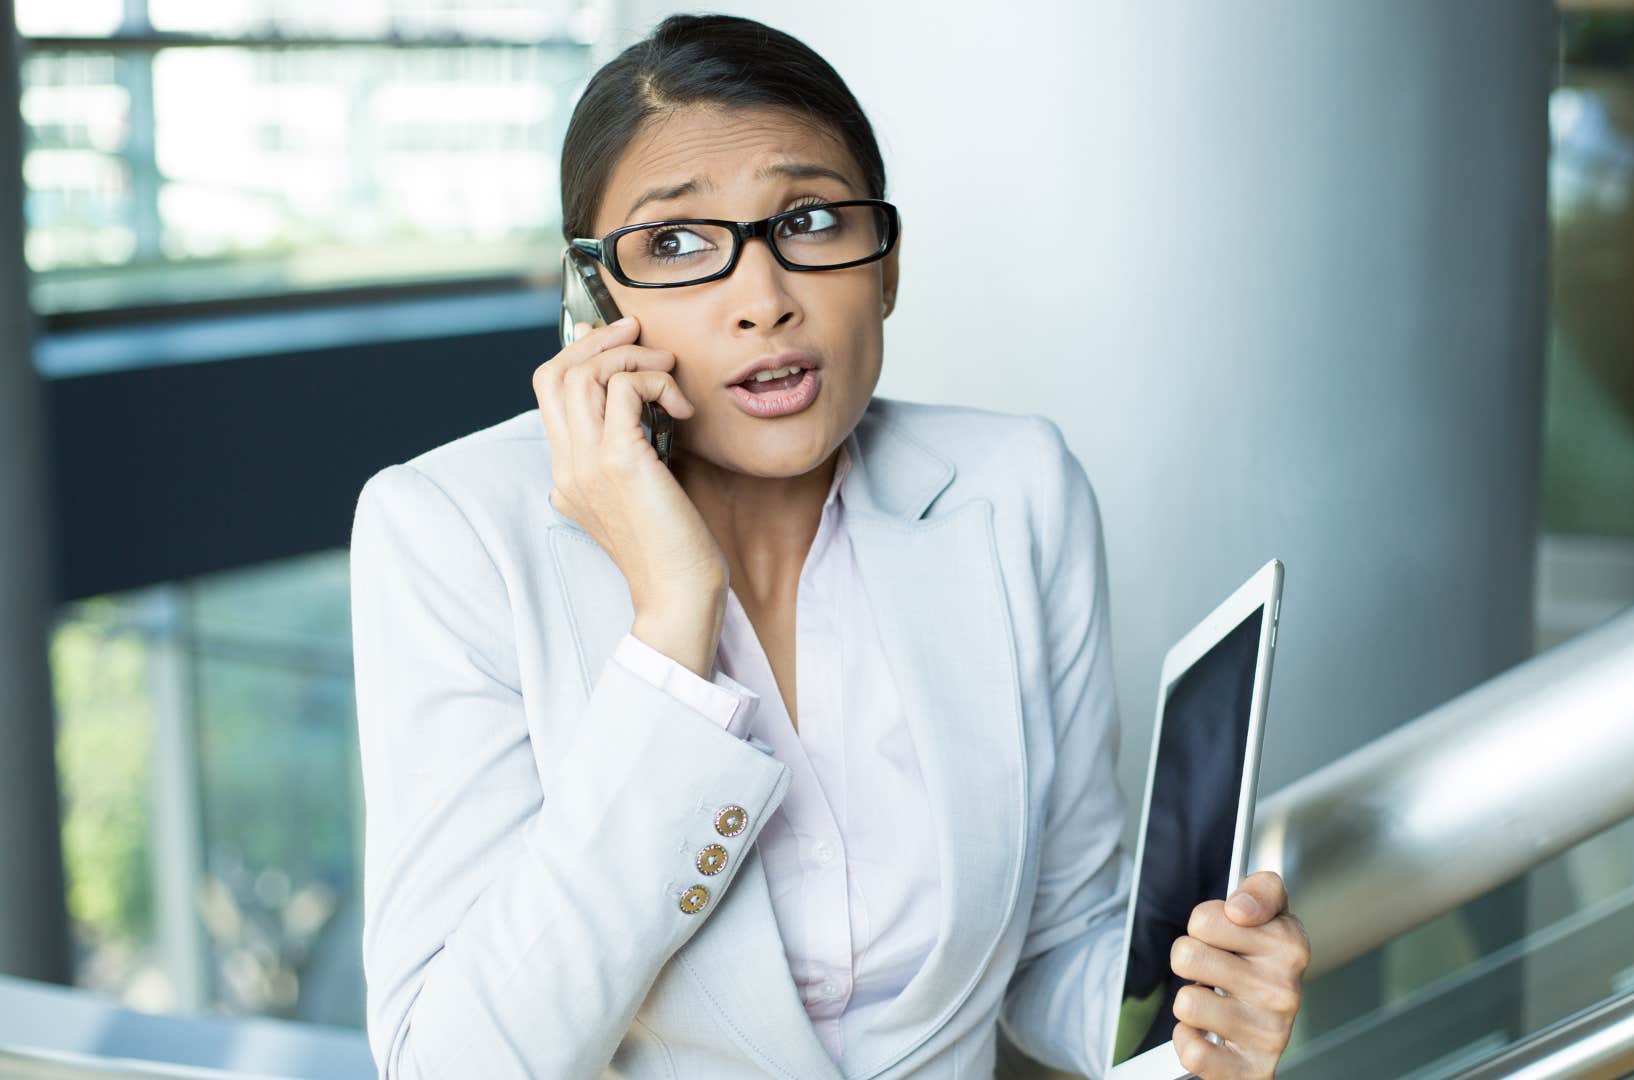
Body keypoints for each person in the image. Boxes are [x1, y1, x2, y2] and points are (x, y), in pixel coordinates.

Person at [348, 13, 1308, 1080]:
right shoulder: (450, 534)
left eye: (809, 220)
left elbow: (1053, 951)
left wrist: (1194, 1015)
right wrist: (671, 625)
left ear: (885, 267)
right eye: (675, 243)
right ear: (594, 304)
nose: (764, 301)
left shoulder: (1016, 492)